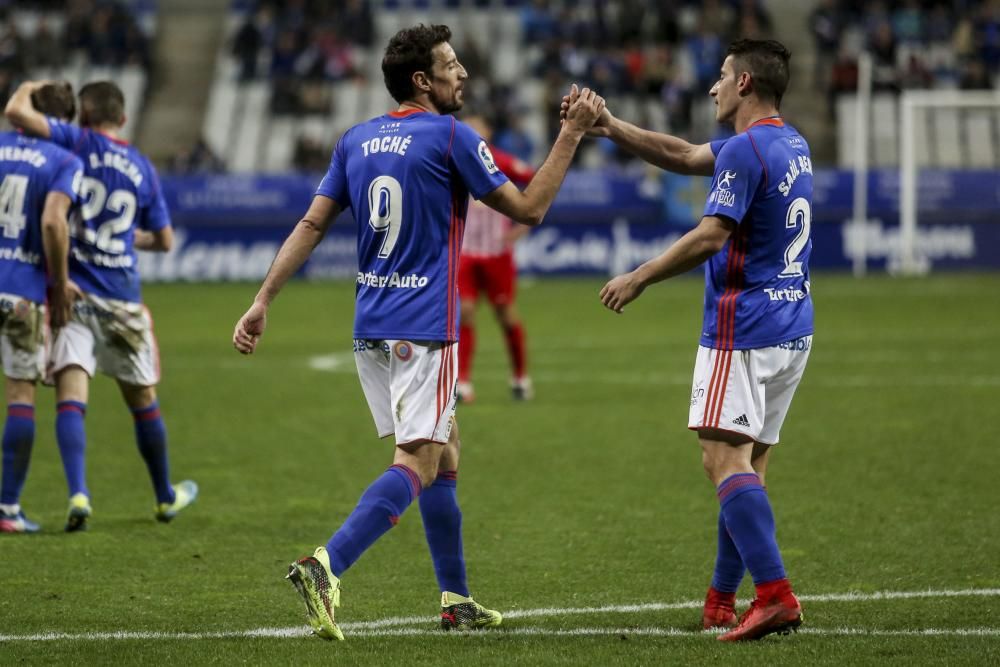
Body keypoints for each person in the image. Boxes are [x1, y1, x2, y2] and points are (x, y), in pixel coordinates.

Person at [233, 24, 603, 641]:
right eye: (451, 66)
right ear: (422, 81)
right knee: (419, 458)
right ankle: (326, 565)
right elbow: (531, 208)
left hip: (371, 328)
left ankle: (456, 599)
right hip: (424, 327)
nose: (463, 75)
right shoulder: (452, 135)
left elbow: (311, 223)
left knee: (446, 451)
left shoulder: (356, 140)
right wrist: (571, 133)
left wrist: (262, 298)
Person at [576, 39, 812, 641]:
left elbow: (711, 235)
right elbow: (680, 154)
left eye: (722, 76)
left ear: (745, 85)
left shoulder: (746, 149)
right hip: (792, 325)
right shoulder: (790, 143)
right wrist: (609, 126)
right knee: (749, 466)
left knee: (721, 459)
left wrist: (639, 276)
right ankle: (719, 601)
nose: (712, 86)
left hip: (743, 327)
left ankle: (775, 595)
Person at [5, 80, 198, 532]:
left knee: (71, 400)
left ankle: (79, 493)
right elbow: (165, 240)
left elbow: (18, 112)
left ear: (83, 117)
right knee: (143, 402)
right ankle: (165, 496)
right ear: (124, 119)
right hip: (122, 298)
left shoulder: (75, 143)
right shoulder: (141, 166)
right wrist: (130, 237)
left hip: (73, 294)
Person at [0, 83, 82, 533]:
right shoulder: (63, 160)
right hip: (21, 292)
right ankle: (8, 509)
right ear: (61, 124)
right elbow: (53, 221)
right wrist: (61, 284)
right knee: (20, 397)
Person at [457, 114, 536, 403]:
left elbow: (538, 182)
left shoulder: (500, 160)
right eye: (467, 127)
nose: (472, 131)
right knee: (464, 312)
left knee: (504, 314)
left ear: (488, 131)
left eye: (477, 126)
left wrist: (523, 227)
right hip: (465, 254)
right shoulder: (453, 160)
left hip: (496, 254)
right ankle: (462, 381)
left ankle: (520, 376)